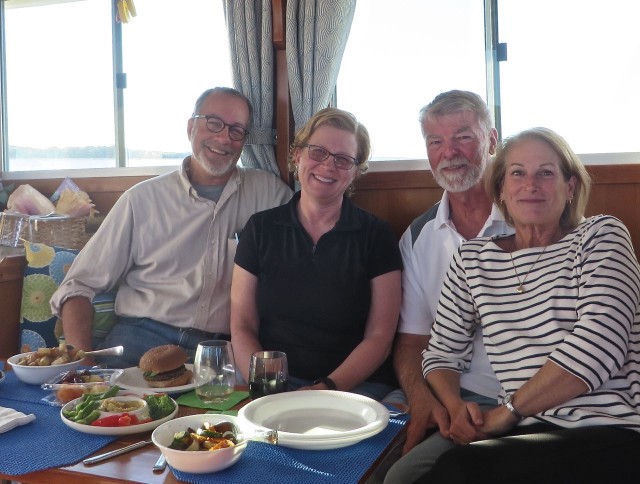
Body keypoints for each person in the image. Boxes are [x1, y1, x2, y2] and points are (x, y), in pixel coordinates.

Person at [418, 127, 640, 483]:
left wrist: (508, 410)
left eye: (546, 173)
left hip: (609, 428)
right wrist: (456, 407)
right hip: (523, 434)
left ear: (569, 188)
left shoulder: (601, 236)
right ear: (501, 190)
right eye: (517, 173)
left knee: (459, 472)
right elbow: (442, 352)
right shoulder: (472, 259)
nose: (530, 184)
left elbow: (600, 345)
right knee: (405, 476)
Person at [50, 87, 293, 368]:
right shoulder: (141, 200)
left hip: (222, 351)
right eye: (213, 123)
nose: (224, 137)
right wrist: (83, 366)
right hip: (141, 339)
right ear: (191, 127)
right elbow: (78, 286)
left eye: (237, 130)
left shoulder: (270, 195)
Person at [230, 107, 402, 401]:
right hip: (273, 386)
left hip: (355, 387)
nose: (328, 166)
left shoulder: (377, 235)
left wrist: (326, 389)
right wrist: (269, 387)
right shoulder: (260, 228)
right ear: (297, 156)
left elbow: (379, 338)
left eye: (343, 159)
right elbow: (242, 324)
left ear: (355, 172)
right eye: (318, 152)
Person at [384, 91, 512, 483]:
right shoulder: (419, 237)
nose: (449, 152)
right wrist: (426, 398)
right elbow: (411, 342)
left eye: (463, 137)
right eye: (435, 142)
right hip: (454, 397)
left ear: (491, 140)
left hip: (530, 400)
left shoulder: (530, 218)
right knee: (386, 468)